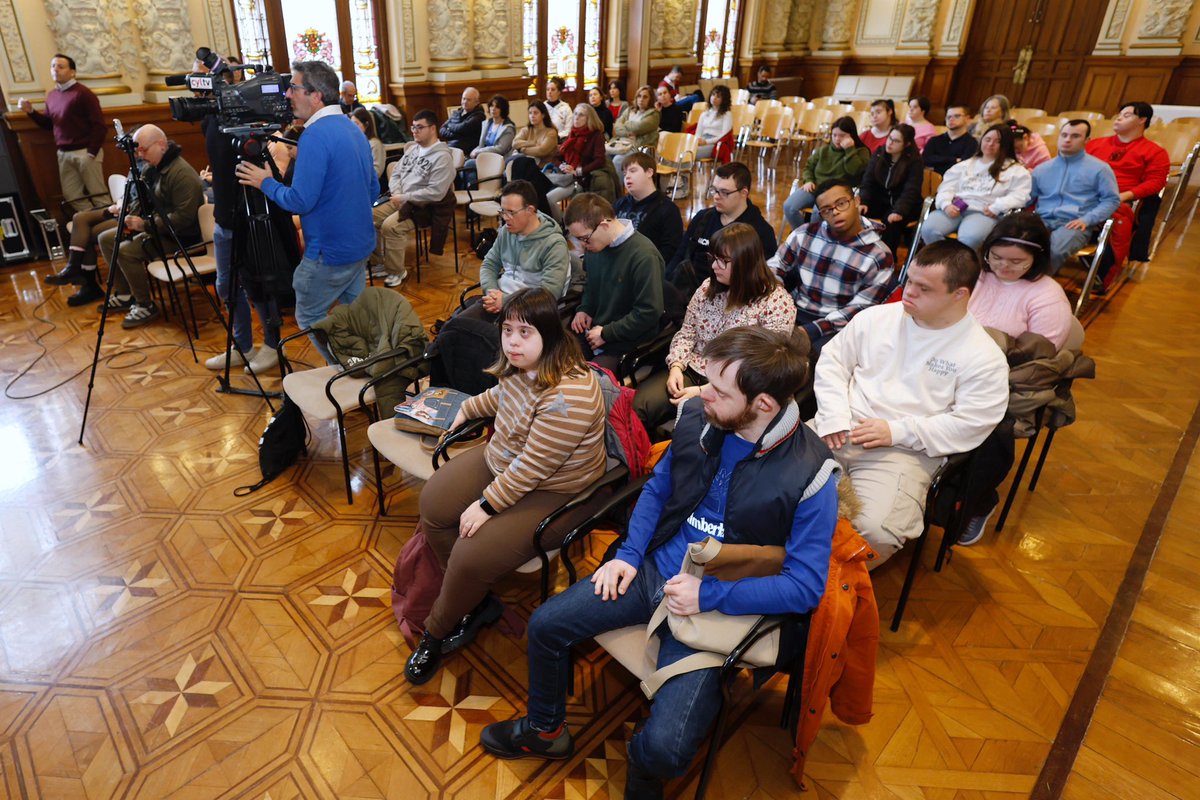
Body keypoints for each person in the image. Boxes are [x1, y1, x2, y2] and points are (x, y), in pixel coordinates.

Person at [480, 326, 837, 800]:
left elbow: (805, 588)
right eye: (706, 380)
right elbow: (658, 488)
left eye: (717, 389)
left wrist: (707, 593)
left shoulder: (813, 472)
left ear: (764, 405)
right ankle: (547, 731)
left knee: (668, 750)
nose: (699, 392)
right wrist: (629, 554)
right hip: (655, 570)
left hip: (718, 604)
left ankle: (642, 774)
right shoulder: (699, 415)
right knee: (546, 625)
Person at [405, 288, 608, 685]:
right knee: (432, 505)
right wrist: (463, 409)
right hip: (506, 462)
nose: (513, 341)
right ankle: (473, 600)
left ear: (549, 335)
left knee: (469, 553)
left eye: (525, 332)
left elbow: (533, 468)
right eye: (507, 330)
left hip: (557, 491)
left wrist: (485, 505)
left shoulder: (571, 395)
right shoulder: (523, 365)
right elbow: (499, 396)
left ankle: (436, 631)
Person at [813, 240, 1009, 566]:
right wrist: (833, 414)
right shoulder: (875, 319)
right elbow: (833, 363)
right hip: (836, 426)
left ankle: (822, 593)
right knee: (761, 481)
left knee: (874, 530)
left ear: (959, 295)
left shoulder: (983, 356)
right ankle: (773, 570)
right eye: (909, 280)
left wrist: (897, 431)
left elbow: (971, 423)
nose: (908, 292)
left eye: (924, 288)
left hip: (904, 452)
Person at [236, 60, 378, 363]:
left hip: (330, 251)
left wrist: (266, 183)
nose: (287, 94)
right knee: (356, 317)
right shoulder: (351, 127)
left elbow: (299, 202)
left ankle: (349, 371)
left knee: (309, 315)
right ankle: (368, 368)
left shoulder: (314, 135)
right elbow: (373, 192)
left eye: (294, 87)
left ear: (315, 95)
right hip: (361, 244)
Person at [634, 223, 794, 429]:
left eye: (723, 261)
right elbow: (687, 332)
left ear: (746, 263)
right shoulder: (708, 288)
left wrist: (705, 391)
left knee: (694, 428)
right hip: (693, 368)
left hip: (736, 388)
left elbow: (761, 369)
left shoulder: (777, 303)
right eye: (713, 258)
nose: (714, 266)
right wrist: (675, 367)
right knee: (639, 406)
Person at [200, 55, 283, 373]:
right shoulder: (210, 118)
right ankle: (242, 345)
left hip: (251, 215)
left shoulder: (251, 120)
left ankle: (272, 345)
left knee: (259, 284)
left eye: (209, 77)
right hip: (224, 216)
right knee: (226, 286)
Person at [95, 125, 204, 329]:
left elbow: (183, 219)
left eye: (143, 149)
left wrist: (143, 225)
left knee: (127, 251)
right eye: (138, 150)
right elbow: (144, 199)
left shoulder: (181, 174)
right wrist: (129, 212)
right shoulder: (153, 166)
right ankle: (125, 293)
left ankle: (145, 305)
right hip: (159, 229)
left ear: (161, 145)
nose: (139, 154)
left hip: (181, 236)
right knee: (107, 239)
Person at [772, 179, 894, 353]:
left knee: (807, 362)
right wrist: (774, 289)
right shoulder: (805, 233)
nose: (835, 212)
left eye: (841, 203)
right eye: (827, 210)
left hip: (837, 325)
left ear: (857, 201)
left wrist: (811, 330)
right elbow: (775, 265)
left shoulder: (879, 255)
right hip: (794, 311)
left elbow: (860, 309)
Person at [566, 193, 665, 372]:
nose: (582, 246)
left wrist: (606, 333)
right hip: (596, 331)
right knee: (551, 361)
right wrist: (585, 309)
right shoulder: (595, 247)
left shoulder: (643, 255)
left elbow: (649, 312)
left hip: (627, 341)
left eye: (584, 239)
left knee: (586, 383)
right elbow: (591, 286)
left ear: (604, 225)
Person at [1084, 101, 1170, 288]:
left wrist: (1125, 195)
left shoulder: (1155, 152)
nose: (1119, 118)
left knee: (1119, 217)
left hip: (1118, 199)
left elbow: (1156, 182)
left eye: (1127, 115)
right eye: (1119, 114)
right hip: (1084, 196)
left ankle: (1103, 272)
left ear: (1142, 120)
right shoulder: (1095, 145)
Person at [368, 109, 456, 287]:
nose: (414, 131)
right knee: (368, 217)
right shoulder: (413, 149)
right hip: (401, 199)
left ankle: (396, 271)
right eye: (413, 127)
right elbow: (396, 173)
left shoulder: (442, 157)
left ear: (432, 129)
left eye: (419, 127)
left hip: (424, 208)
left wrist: (405, 197)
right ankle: (379, 263)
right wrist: (397, 193)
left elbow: (436, 192)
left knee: (390, 226)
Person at [666, 161, 777, 294]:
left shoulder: (761, 232)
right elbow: (680, 255)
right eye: (714, 190)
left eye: (724, 192)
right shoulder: (703, 218)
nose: (716, 197)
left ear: (744, 192)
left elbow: (759, 280)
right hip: (688, 291)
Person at [18, 54, 108, 216]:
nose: (55, 70)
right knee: (72, 197)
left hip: (86, 152)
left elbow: (99, 125)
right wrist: (30, 112)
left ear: (72, 72)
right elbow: (48, 124)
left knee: (99, 194)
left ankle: (114, 228)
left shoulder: (83, 93)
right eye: (53, 66)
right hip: (63, 153)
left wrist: (92, 152)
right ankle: (97, 221)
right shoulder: (52, 95)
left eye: (61, 66)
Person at [969, 212, 1073, 350]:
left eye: (1016, 261)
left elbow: (1040, 352)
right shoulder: (973, 274)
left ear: (1036, 258)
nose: (1004, 265)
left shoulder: (1047, 296)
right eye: (996, 257)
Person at [1029, 120, 1121, 275]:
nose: (1067, 140)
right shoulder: (1042, 169)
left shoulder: (1100, 168)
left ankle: (1034, 290)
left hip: (1074, 223)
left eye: (1075, 136)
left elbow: (1111, 200)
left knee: (1053, 250)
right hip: (1041, 220)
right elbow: (1027, 198)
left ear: (1086, 141)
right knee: (1017, 244)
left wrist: (1088, 219)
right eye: (1064, 135)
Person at [920, 123, 1031, 249]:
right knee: (929, 229)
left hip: (984, 213)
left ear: (1006, 145)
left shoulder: (1016, 170)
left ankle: (960, 266)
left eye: (997, 141)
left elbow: (1021, 195)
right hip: (955, 207)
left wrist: (998, 207)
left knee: (970, 238)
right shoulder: (965, 165)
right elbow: (946, 187)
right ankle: (942, 262)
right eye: (987, 139)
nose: (990, 144)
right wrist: (946, 205)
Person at [473, 180, 571, 319]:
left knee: (464, 333)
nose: (505, 218)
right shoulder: (506, 231)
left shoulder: (554, 245)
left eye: (511, 212)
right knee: (454, 328)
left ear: (530, 210)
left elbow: (548, 294)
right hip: (499, 301)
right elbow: (489, 264)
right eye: (503, 211)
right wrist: (491, 292)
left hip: (530, 313)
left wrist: (505, 301)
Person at [781, 116, 870, 231]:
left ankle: (815, 240)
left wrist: (849, 150)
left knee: (817, 213)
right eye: (834, 135)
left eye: (842, 135)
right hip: (815, 187)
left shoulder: (861, 151)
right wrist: (808, 180)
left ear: (851, 135)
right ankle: (803, 235)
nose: (837, 139)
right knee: (789, 207)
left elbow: (854, 171)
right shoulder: (823, 150)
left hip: (835, 193)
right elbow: (809, 167)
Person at [858, 123, 923, 253]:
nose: (890, 143)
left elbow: (911, 190)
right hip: (882, 200)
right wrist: (863, 201)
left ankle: (887, 258)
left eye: (896, 141)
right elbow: (867, 180)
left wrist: (899, 211)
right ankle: (860, 253)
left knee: (891, 223)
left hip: (905, 205)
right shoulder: (879, 153)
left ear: (907, 144)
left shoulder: (914, 161)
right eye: (889, 138)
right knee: (858, 214)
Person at [613, 151, 683, 266]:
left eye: (633, 171)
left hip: (648, 268)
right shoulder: (619, 204)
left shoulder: (667, 209)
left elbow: (671, 250)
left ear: (649, 172)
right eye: (625, 174)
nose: (627, 177)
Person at [542, 104, 608, 206]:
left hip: (581, 179)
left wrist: (578, 171)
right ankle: (560, 220)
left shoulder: (596, 135)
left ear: (589, 118)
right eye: (575, 114)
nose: (576, 117)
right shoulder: (573, 134)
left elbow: (600, 160)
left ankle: (562, 221)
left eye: (581, 115)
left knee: (549, 198)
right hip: (565, 176)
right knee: (541, 194)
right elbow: (555, 157)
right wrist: (562, 166)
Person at [608, 86, 661, 174]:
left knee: (618, 161)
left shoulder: (654, 114)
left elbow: (638, 128)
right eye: (639, 96)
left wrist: (626, 123)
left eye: (645, 97)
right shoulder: (629, 110)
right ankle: (609, 186)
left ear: (650, 99)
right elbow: (617, 127)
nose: (641, 99)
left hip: (639, 147)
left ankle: (620, 187)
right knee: (604, 156)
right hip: (621, 143)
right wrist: (628, 133)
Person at [464, 95, 516, 184]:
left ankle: (473, 191)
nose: (493, 109)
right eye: (491, 106)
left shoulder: (508, 128)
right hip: (484, 157)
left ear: (503, 109)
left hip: (498, 160)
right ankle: (473, 190)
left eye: (497, 107)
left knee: (469, 164)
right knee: (465, 161)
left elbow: (500, 149)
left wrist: (479, 151)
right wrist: (475, 150)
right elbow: (482, 144)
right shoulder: (487, 124)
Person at [922, 104, 977, 175]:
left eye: (957, 116)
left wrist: (935, 167)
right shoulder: (934, 140)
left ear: (967, 118)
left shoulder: (972, 143)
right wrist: (954, 160)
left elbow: (963, 167)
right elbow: (925, 160)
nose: (951, 119)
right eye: (948, 116)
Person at [509, 101, 559, 166]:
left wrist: (522, 149)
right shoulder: (526, 129)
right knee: (512, 163)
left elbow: (541, 151)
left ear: (543, 115)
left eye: (535, 113)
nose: (532, 116)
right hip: (526, 165)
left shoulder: (551, 132)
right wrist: (532, 143)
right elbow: (514, 143)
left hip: (543, 168)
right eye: (530, 113)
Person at [440, 86, 485, 155]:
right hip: (450, 149)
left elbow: (462, 128)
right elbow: (442, 130)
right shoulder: (457, 113)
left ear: (476, 102)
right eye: (464, 99)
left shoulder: (479, 117)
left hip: (465, 153)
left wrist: (449, 126)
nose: (465, 102)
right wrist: (459, 135)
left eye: (468, 100)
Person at [693, 85, 733, 161]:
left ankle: (681, 171)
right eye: (713, 95)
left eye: (718, 96)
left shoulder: (727, 114)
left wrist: (706, 141)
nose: (714, 98)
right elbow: (698, 132)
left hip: (715, 143)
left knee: (690, 154)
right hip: (702, 140)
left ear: (724, 100)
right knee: (681, 150)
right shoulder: (704, 114)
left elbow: (724, 136)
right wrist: (698, 140)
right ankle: (677, 171)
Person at [350, 107, 386, 179]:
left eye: (356, 124)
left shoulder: (375, 144)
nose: (352, 128)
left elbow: (377, 171)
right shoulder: (354, 142)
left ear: (366, 124)